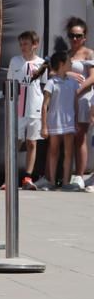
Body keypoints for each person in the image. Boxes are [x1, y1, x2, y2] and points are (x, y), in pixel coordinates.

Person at [8, 31, 45, 189]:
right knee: (15, 142)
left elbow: (43, 86)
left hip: (34, 108)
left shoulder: (42, 63)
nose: (23, 47)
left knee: (32, 142)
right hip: (18, 108)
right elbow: (10, 83)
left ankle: (27, 178)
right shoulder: (15, 61)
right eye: (21, 44)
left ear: (34, 45)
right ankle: (9, 177)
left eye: (26, 44)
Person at [40, 52, 79, 191]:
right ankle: (50, 182)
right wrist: (44, 126)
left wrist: (76, 121)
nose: (71, 63)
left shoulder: (73, 83)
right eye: (69, 61)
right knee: (54, 151)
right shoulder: (51, 83)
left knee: (69, 152)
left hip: (69, 122)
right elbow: (45, 105)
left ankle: (65, 183)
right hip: (54, 121)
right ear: (62, 64)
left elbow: (75, 104)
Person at [64, 17, 94, 179]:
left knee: (81, 135)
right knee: (69, 136)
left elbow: (92, 78)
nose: (75, 39)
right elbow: (58, 72)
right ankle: (67, 174)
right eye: (71, 35)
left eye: (78, 35)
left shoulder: (89, 53)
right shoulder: (66, 54)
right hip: (66, 101)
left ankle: (80, 176)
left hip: (83, 99)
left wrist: (77, 91)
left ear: (84, 36)